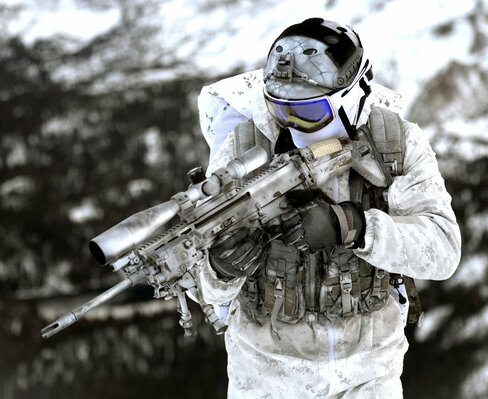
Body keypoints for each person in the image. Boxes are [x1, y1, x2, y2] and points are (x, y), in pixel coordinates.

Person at [195, 17, 461, 398]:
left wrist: (353, 226)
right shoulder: (244, 151)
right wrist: (220, 269)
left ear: (350, 99)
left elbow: (442, 251)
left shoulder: (395, 147)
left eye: (309, 111)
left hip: (370, 378)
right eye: (281, 110)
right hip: (268, 380)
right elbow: (201, 287)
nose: (293, 124)